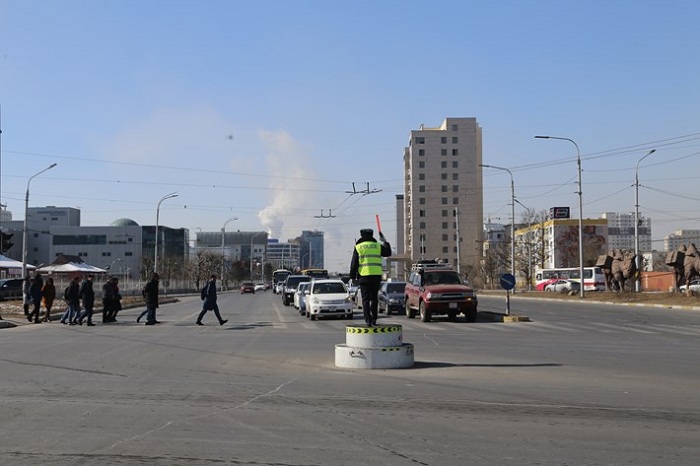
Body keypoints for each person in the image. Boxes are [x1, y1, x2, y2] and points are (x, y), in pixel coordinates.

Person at [349, 228, 391, 327]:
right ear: (372, 235)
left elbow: (354, 263)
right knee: (374, 298)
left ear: (361, 235)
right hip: (376, 276)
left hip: (364, 277)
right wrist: (384, 241)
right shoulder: (377, 246)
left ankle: (368, 320)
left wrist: (352, 276)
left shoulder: (359, 247)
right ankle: (375, 318)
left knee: (365, 299)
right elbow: (388, 253)